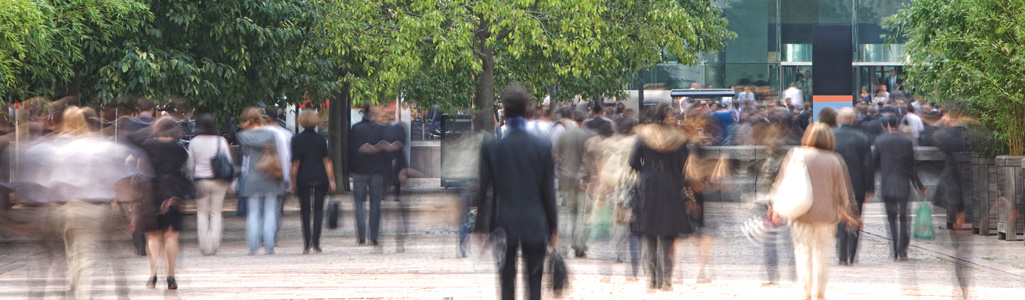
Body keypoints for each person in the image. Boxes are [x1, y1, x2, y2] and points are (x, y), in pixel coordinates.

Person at [474, 84, 558, 300]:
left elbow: (484, 190)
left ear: (504, 110)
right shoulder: (542, 147)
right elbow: (548, 191)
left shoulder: (492, 148)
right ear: (526, 109)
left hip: (504, 223)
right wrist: (553, 228)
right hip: (535, 222)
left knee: (506, 282)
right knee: (534, 284)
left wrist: (480, 227)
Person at [770, 122, 861, 300]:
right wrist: (851, 214)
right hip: (826, 216)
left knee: (803, 251)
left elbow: (782, 183)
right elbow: (843, 192)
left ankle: (806, 291)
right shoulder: (835, 159)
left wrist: (775, 206)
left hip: (801, 213)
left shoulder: (796, 155)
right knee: (822, 254)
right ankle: (819, 293)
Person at [630, 103, 695, 291]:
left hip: (648, 183)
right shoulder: (678, 138)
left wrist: (647, 171)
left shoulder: (643, 135)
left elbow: (633, 161)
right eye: (672, 116)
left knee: (649, 232)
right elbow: (683, 166)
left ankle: (652, 279)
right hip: (670, 184)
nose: (674, 119)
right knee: (667, 231)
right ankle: (666, 279)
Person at [139, 117, 191, 290]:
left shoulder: (147, 145)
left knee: (153, 234)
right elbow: (185, 168)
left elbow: (140, 167)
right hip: (174, 189)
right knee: (171, 234)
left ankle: (152, 274)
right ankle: (171, 275)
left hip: (153, 190)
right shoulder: (179, 148)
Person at [873, 115, 927, 261]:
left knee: (891, 218)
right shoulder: (906, 142)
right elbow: (912, 167)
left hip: (887, 185)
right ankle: (903, 249)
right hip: (903, 185)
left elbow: (873, 165)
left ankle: (894, 248)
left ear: (886, 126)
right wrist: (919, 186)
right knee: (904, 217)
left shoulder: (880, 141)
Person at [237, 108, 287, 254]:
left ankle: (253, 246)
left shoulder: (243, 136)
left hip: (252, 176)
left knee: (253, 212)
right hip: (270, 175)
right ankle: (269, 245)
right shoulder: (270, 134)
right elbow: (277, 154)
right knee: (270, 210)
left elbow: (245, 154)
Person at [290, 111, 337, 254]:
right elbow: (327, 161)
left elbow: (295, 163)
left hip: (303, 177)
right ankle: (316, 243)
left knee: (305, 210)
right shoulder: (321, 139)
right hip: (320, 176)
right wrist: (331, 180)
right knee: (318, 210)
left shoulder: (297, 140)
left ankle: (307, 243)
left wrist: (293, 180)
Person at [833, 108, 875, 265]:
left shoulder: (832, 136)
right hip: (857, 186)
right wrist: (870, 187)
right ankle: (852, 254)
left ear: (840, 119)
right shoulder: (862, 137)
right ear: (853, 120)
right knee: (856, 217)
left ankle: (841, 254)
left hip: (837, 186)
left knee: (840, 218)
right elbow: (868, 166)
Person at [187, 114, 232, 256]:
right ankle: (214, 244)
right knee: (216, 212)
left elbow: (190, 165)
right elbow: (228, 162)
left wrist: (191, 179)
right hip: (219, 181)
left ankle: (204, 246)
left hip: (201, 180)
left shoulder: (194, 142)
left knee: (202, 213)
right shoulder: (221, 141)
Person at [553, 110, 595, 257]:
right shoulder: (589, 136)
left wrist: (561, 164)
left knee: (569, 213)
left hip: (566, 179)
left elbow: (554, 154)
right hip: (584, 181)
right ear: (584, 120)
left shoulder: (564, 135)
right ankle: (579, 245)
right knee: (582, 215)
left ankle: (563, 246)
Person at [348, 103, 389, 246]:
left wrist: (349, 169)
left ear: (363, 111)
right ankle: (374, 236)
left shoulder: (356, 128)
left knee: (359, 203)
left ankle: (361, 236)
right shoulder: (380, 129)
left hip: (359, 170)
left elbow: (350, 150)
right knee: (375, 203)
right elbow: (386, 151)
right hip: (376, 171)